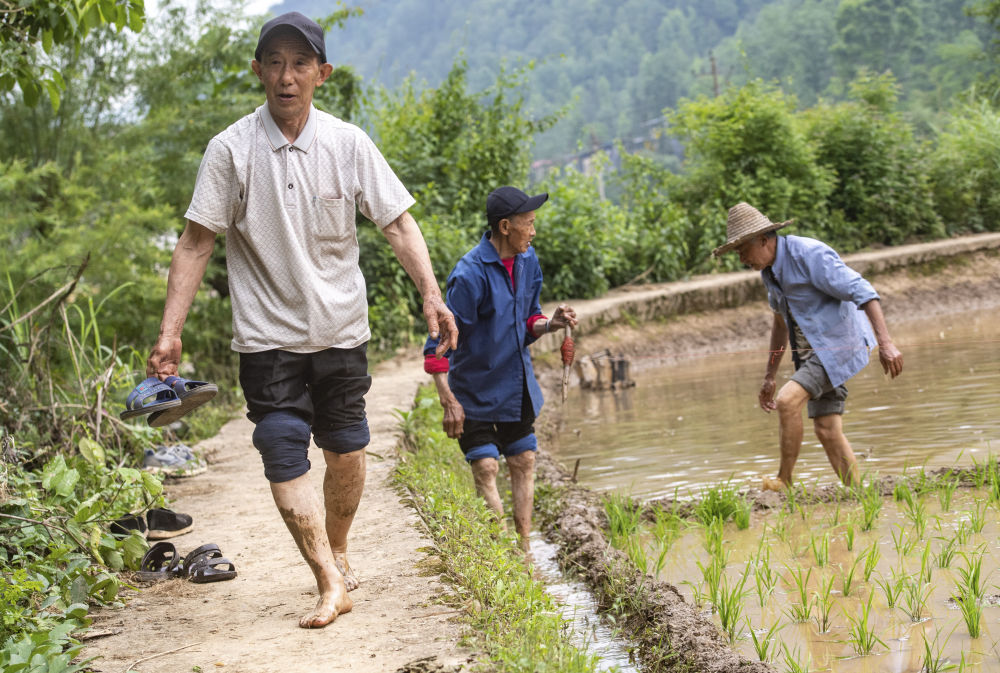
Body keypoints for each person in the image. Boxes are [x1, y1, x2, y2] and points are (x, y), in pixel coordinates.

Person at [145, 12, 457, 629]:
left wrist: (432, 293)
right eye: (275, 63)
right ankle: (327, 578)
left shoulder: (348, 144)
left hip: (341, 330)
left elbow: (396, 222)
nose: (287, 77)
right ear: (258, 71)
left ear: (322, 73)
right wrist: (169, 332)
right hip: (267, 339)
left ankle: (337, 549)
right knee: (279, 443)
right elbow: (195, 243)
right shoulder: (231, 150)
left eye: (300, 64)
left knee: (347, 449)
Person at [424, 186, 577, 550]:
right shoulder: (469, 275)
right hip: (473, 389)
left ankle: (524, 548)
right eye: (529, 224)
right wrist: (448, 400)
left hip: (515, 383)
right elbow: (438, 345)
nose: (534, 231)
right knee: (487, 467)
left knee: (524, 459)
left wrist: (550, 324)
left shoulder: (529, 261)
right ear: (506, 226)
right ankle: (503, 550)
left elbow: (529, 321)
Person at [713, 202, 903, 490]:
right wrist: (769, 376)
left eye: (742, 251)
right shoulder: (769, 273)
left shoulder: (809, 254)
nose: (741, 259)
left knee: (788, 402)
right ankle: (859, 496)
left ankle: (784, 481)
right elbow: (780, 325)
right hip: (810, 354)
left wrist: (886, 344)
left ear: (763, 240)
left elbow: (863, 291)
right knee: (826, 429)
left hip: (837, 347)